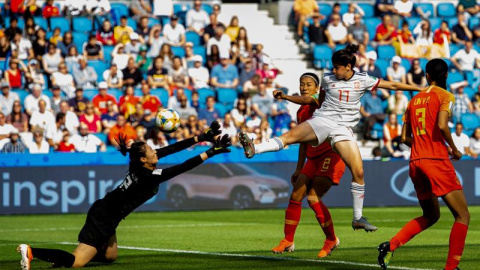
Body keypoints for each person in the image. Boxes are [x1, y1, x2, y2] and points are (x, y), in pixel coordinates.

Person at [239, 44, 424, 231]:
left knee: (358, 172)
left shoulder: (363, 79)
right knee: (290, 136)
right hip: (323, 119)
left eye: (337, 67)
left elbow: (392, 84)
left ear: (349, 67)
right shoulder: (327, 78)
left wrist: (419, 89)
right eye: (333, 66)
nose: (333, 70)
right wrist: (288, 98)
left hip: (343, 129)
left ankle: (358, 218)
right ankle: (255, 149)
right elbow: (318, 100)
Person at [17, 122, 231, 269]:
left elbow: (173, 148)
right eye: (151, 150)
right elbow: (182, 166)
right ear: (143, 160)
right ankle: (31, 251)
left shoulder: (143, 165)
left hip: (107, 212)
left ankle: (67, 257)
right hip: (105, 215)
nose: (155, 151)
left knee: (110, 257)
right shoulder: (149, 176)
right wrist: (212, 151)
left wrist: (203, 137)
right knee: (78, 262)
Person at [377, 58, 470, 270]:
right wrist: (454, 149)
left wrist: (428, 143)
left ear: (427, 76)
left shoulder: (413, 100)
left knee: (431, 215)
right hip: (435, 161)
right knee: (463, 215)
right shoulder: (446, 96)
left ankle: (390, 245)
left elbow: (403, 138)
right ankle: (451, 267)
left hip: (415, 163)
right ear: (446, 76)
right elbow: (442, 125)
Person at [271, 73, 345, 257]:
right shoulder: (301, 112)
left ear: (317, 88)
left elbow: (306, 99)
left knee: (313, 198)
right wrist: (298, 168)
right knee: (296, 194)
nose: (304, 87)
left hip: (331, 155)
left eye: (308, 84)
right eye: (301, 83)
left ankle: (331, 239)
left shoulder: (320, 102)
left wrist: (286, 96)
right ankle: (288, 240)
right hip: (312, 159)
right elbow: (303, 142)